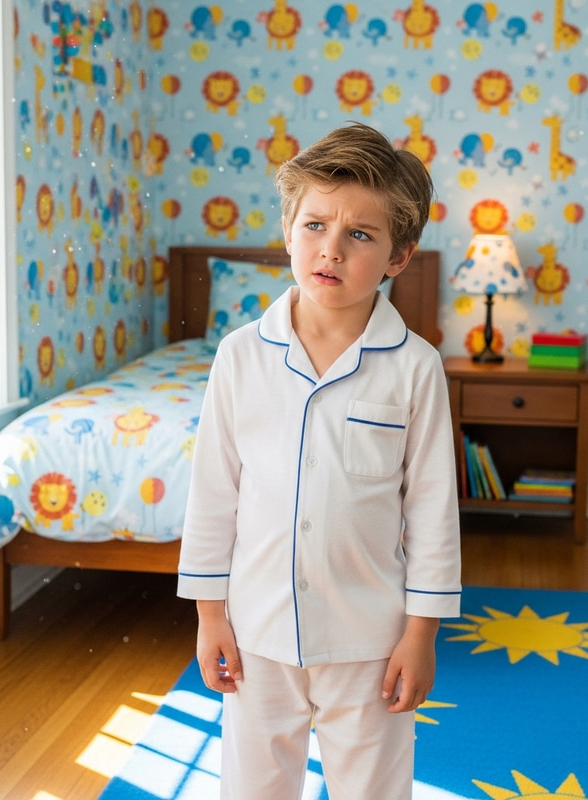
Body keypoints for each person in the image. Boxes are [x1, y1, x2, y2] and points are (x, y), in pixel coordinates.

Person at [177, 121, 461, 799]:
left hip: (369, 634)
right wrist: (209, 615)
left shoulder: (416, 369)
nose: (330, 250)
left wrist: (419, 635)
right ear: (288, 229)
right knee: (254, 786)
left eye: (360, 235)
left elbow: (431, 509)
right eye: (314, 226)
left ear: (399, 256)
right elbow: (214, 495)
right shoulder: (240, 357)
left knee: (372, 787)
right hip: (257, 632)